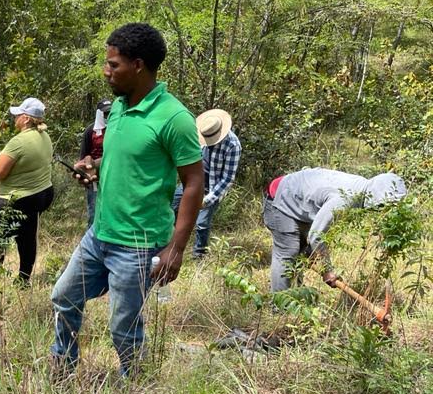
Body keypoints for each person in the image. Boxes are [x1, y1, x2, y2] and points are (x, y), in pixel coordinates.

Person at [51, 23, 204, 377]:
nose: (106, 72)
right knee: (63, 297)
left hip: (137, 244)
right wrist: (93, 166)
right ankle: (62, 370)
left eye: (114, 65)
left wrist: (176, 249)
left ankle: (135, 392)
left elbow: (194, 182)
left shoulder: (173, 118)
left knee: (123, 329)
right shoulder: (118, 107)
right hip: (99, 234)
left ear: (138, 65)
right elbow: (125, 160)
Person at [264, 168, 406, 292]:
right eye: (383, 206)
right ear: (376, 197)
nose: (382, 210)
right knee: (287, 252)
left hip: (300, 204)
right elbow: (317, 236)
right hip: (281, 197)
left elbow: (319, 233)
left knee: (301, 251)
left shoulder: (363, 190)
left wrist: (313, 252)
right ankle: (279, 307)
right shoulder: (346, 199)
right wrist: (328, 270)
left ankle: (295, 297)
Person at [0, 97, 55, 283]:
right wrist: (0, 157)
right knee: (27, 236)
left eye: (18, 115)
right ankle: (23, 279)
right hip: (40, 194)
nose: (15, 119)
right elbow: (25, 163)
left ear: (27, 119)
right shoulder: (44, 136)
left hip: (17, 198)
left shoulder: (18, 141)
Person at [170, 108, 241, 259]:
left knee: (202, 223)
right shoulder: (201, 134)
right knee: (172, 207)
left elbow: (227, 178)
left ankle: (199, 256)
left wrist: (207, 199)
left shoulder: (232, 145)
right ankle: (169, 246)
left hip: (212, 188)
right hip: (191, 182)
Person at [76, 99, 112, 226]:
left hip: (113, 176)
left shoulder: (116, 130)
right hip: (95, 178)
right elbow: (84, 155)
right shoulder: (91, 131)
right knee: (94, 213)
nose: (108, 116)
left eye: (110, 113)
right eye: (105, 114)